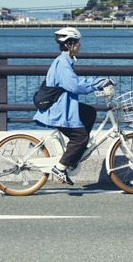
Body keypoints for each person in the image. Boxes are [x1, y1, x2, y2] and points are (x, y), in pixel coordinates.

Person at [32, 26, 112, 185]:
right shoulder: (62, 63)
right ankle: (60, 168)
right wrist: (99, 82)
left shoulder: (64, 61)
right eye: (77, 43)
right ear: (69, 45)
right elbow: (75, 86)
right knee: (80, 137)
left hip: (64, 106)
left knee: (89, 112)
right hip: (58, 110)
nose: (80, 45)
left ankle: (75, 153)